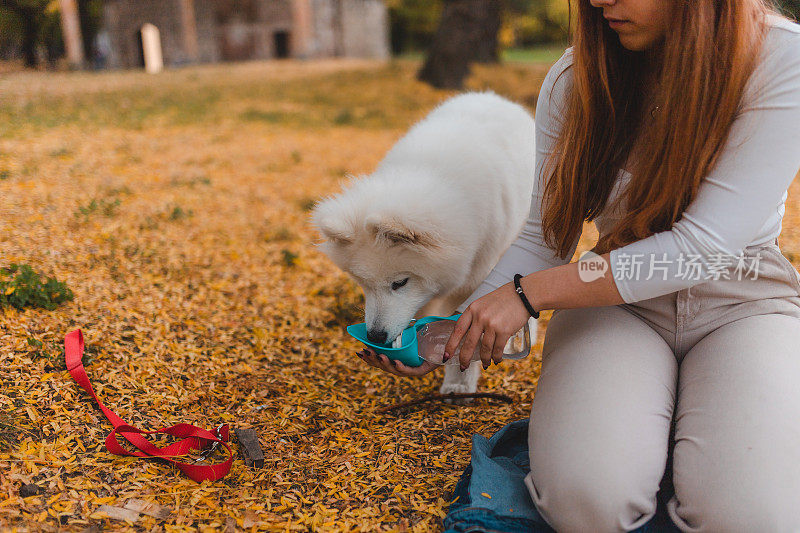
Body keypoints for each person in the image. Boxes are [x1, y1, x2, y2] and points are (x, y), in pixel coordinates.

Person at [357, 0, 800, 530]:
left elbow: (703, 247)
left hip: (743, 301)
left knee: (751, 517)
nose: (596, 1)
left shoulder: (781, 57)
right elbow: (543, 236)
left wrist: (527, 296)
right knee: (587, 503)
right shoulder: (575, 78)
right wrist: (457, 335)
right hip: (613, 307)